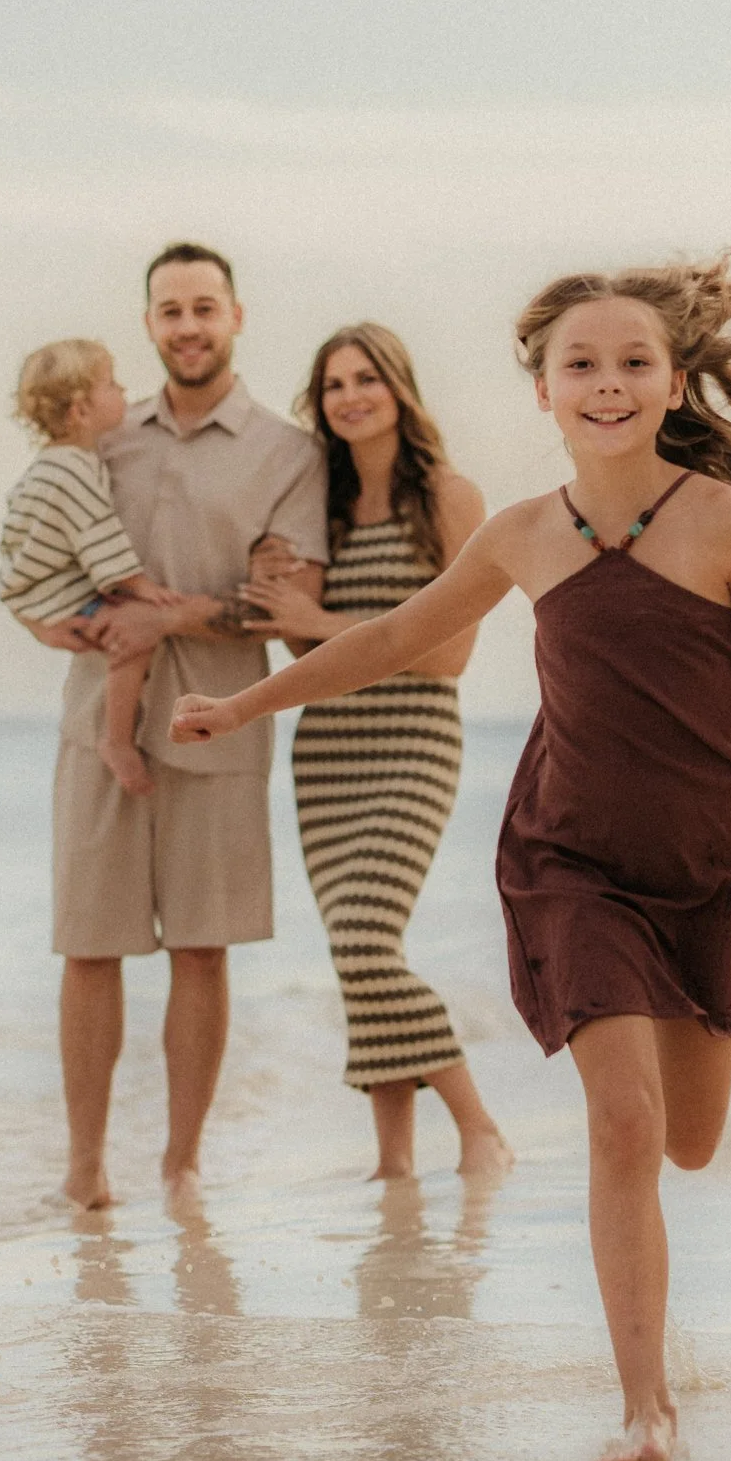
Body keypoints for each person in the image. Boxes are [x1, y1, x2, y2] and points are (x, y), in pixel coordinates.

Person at [171, 256, 731, 1461]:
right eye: (580, 364)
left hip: (715, 857)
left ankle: (651, 1355)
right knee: (623, 1125)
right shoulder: (522, 533)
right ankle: (644, 1406)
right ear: (540, 391)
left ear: (672, 384)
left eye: (631, 362)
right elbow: (398, 633)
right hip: (572, 857)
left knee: (688, 1142)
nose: (605, 382)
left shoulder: (720, 524)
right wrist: (250, 703)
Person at [23, 243, 327, 1212]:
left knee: (203, 946)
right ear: (148, 323)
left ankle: (180, 1163)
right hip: (93, 720)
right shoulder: (100, 434)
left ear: (236, 314)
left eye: (204, 307)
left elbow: (284, 602)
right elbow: (38, 553)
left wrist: (171, 615)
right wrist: (45, 620)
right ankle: (84, 1165)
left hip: (219, 722)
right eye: (168, 311)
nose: (187, 326)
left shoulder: (287, 452)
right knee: (88, 948)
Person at [238, 324, 515, 1181]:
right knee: (357, 953)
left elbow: (448, 655)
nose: (350, 396)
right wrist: (285, 605)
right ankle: (393, 1160)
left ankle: (478, 1127)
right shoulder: (309, 510)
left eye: (366, 379)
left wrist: (321, 624)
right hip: (327, 751)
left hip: (413, 741)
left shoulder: (449, 499)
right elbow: (298, 656)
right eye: (333, 385)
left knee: (365, 940)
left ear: (399, 388)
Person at [0, 339, 186, 795]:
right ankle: (116, 739)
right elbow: (97, 534)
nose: (123, 390)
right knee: (133, 637)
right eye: (112, 384)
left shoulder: (57, 463)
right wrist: (140, 586)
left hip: (33, 589)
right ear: (81, 410)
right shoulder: (71, 470)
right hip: (48, 592)